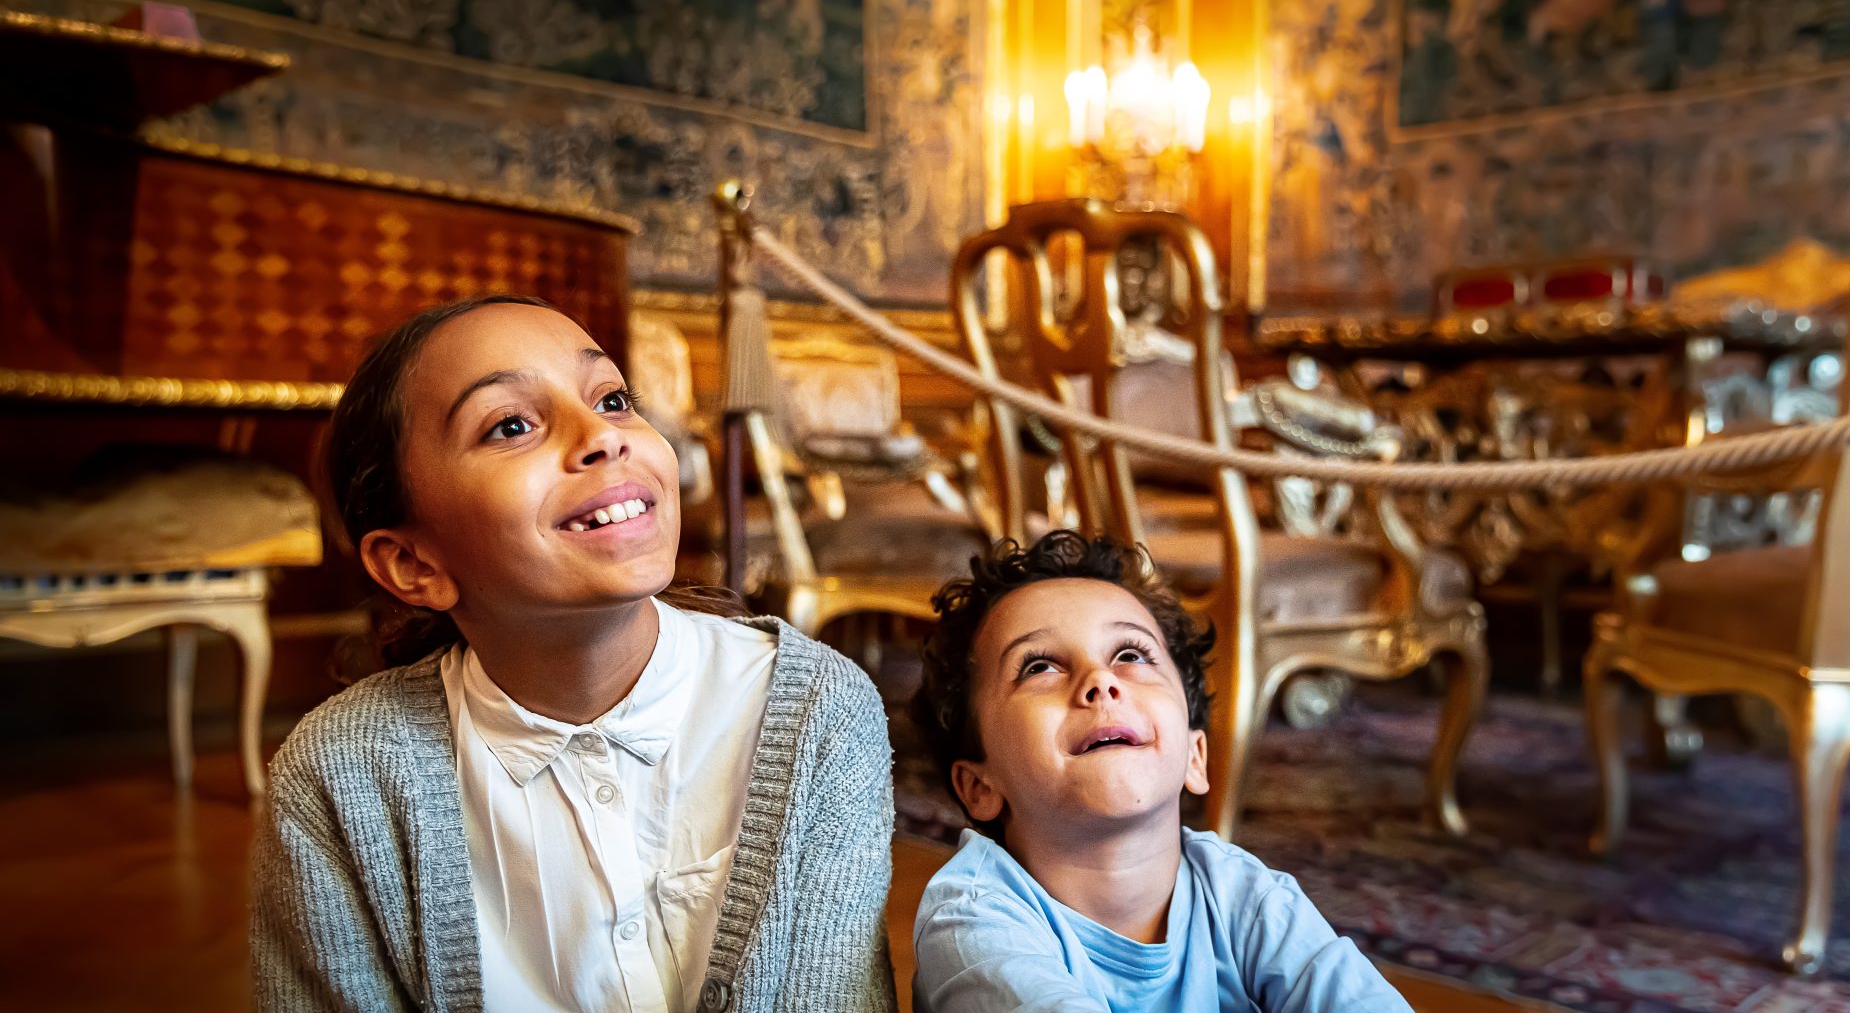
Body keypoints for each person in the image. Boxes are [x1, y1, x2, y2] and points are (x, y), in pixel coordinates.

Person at [251, 296, 895, 1013]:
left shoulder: (817, 711)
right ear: (412, 562)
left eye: (614, 399)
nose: (601, 435)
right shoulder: (338, 776)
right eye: (511, 425)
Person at [910, 531, 1411, 1012]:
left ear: (1196, 756)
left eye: (1131, 654)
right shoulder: (971, 921)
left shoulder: (1245, 897)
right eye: (1040, 666)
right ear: (979, 786)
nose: (1100, 681)